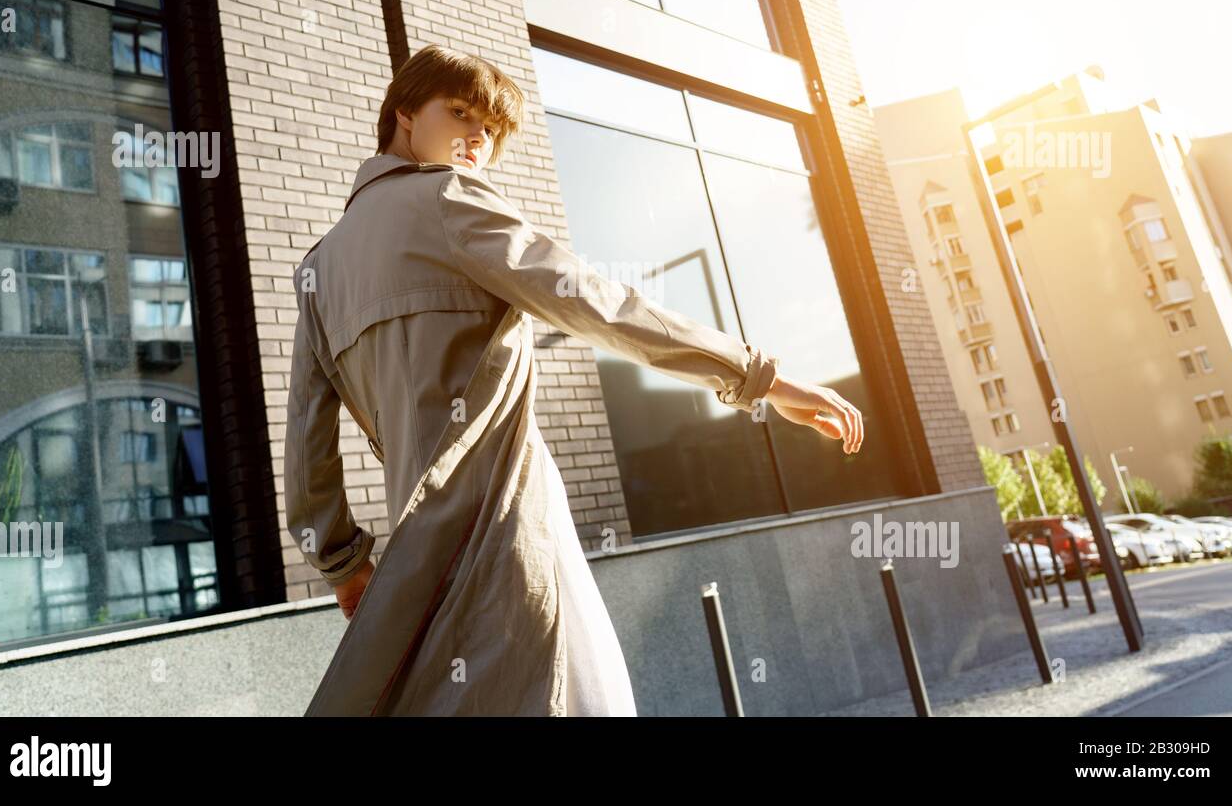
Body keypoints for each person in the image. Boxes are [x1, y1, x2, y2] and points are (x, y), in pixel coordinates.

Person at [284, 44, 863, 716]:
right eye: (463, 113)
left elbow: (305, 439)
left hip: (415, 567)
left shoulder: (319, 267)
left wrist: (343, 564)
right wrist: (760, 378)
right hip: (505, 527)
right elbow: (598, 302)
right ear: (405, 112)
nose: (479, 138)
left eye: (492, 130)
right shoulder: (450, 198)